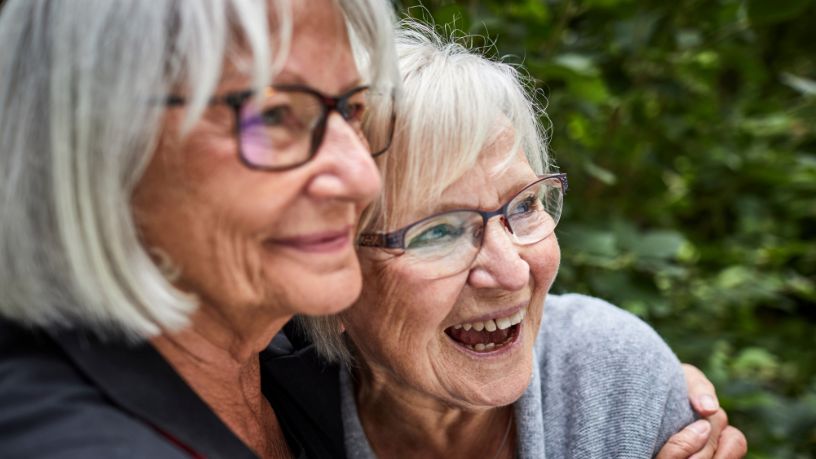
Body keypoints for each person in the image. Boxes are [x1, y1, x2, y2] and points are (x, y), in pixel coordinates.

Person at [290, 22, 747, 458]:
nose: (512, 272)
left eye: (524, 206)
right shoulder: (271, 411)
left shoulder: (616, 381)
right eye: (440, 231)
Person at [0, 0, 398, 457]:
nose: (364, 176)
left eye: (350, 109)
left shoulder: (291, 363)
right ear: (90, 145)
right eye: (272, 115)